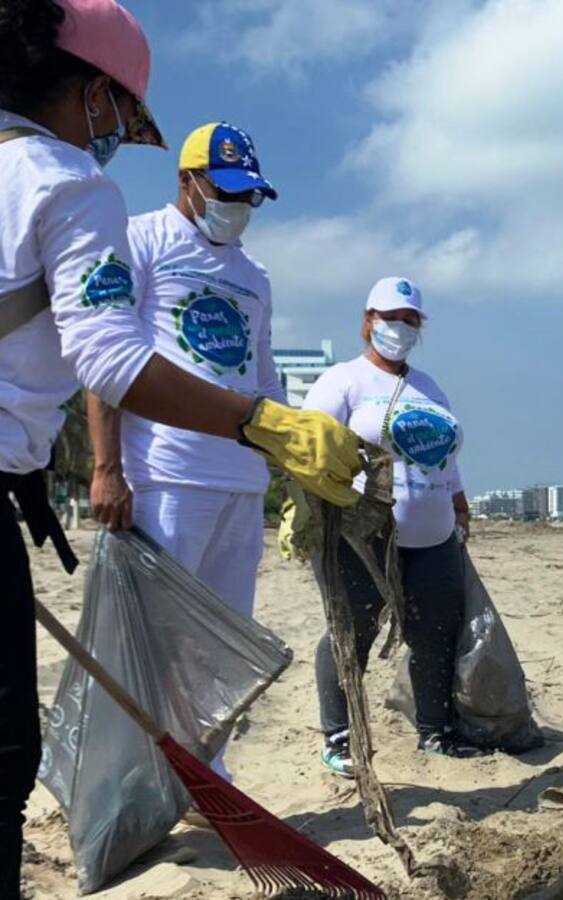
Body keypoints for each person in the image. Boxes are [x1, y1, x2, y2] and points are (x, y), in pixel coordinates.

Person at [0, 0, 359, 890]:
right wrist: (258, 423)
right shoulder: (75, 186)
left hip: (200, 482)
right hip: (170, 473)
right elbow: (110, 355)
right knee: (10, 746)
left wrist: (31, 470)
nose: (120, 132)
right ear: (91, 94)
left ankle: (195, 782)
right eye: (123, 112)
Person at [86, 121, 285, 783]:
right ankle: (143, 777)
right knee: (157, 643)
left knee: (224, 647)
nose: (237, 207)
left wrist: (296, 467)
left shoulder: (255, 278)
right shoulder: (139, 240)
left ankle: (210, 771)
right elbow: (106, 360)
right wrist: (107, 468)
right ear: (187, 181)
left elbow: (264, 385)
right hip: (166, 477)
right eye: (225, 191)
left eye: (249, 196)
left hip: (241, 484)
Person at [303, 276, 485, 774]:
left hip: (433, 534)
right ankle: (339, 736)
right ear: (368, 322)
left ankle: (435, 730)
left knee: (436, 631)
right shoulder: (342, 382)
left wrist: (461, 507)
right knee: (351, 629)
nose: (399, 328)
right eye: (390, 318)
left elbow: (445, 460)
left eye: (410, 320)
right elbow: (309, 451)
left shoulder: (429, 387)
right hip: (362, 538)